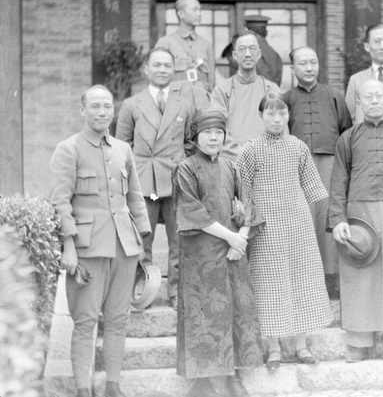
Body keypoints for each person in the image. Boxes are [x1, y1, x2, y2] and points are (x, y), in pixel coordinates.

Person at [49, 85, 151, 397]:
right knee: (85, 321)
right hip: (87, 247)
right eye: (95, 106)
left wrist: (143, 242)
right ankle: (83, 389)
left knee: (118, 319)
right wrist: (68, 244)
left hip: (125, 245)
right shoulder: (68, 149)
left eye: (107, 106)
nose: (102, 112)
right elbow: (59, 201)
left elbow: (134, 196)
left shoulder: (123, 149)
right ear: (82, 110)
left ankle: (113, 387)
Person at [173, 109, 265, 397]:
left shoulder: (231, 167)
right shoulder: (185, 169)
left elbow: (247, 205)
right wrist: (231, 238)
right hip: (201, 255)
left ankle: (233, 375)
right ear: (195, 136)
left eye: (218, 132)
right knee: (204, 314)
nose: (214, 137)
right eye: (207, 132)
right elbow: (193, 212)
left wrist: (242, 239)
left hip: (232, 254)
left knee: (236, 311)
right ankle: (203, 380)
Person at [236, 94, 333, 369]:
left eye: (281, 114)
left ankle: (301, 345)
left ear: (288, 116)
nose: (276, 119)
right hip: (265, 227)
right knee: (269, 283)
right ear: (261, 116)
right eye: (270, 114)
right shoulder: (250, 150)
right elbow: (241, 192)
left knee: (302, 279)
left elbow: (312, 188)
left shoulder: (299, 147)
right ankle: (274, 347)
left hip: (297, 224)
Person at [329, 79, 383, 364]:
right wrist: (339, 219)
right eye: (368, 97)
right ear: (359, 102)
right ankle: (359, 342)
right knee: (359, 276)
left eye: (379, 95)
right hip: (359, 215)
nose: (375, 101)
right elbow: (338, 180)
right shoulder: (348, 138)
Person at [116, 47, 195, 308]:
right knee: (142, 239)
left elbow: (191, 142)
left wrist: (183, 166)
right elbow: (122, 147)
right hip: (143, 181)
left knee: (178, 239)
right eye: (157, 65)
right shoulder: (131, 104)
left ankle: (176, 293)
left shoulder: (184, 103)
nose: (162, 70)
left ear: (174, 71)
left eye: (167, 66)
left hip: (175, 179)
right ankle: (142, 292)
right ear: (146, 69)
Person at [282, 46, 352, 298]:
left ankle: (332, 284)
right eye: (303, 64)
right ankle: (304, 284)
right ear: (293, 69)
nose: (309, 68)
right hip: (297, 168)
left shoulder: (334, 95)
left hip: (329, 167)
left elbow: (347, 133)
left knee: (327, 222)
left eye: (313, 62)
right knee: (302, 223)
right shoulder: (286, 99)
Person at [211, 30, 280, 159]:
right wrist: (243, 155)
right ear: (235, 55)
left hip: (266, 162)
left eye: (252, 49)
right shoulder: (221, 91)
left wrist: (263, 156)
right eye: (242, 49)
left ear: (259, 54)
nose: (248, 54)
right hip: (231, 162)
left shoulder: (271, 89)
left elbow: (279, 128)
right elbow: (219, 129)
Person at [156, 0, 216, 93]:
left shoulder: (206, 44)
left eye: (200, 10)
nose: (199, 14)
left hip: (201, 101)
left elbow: (211, 80)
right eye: (194, 10)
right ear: (181, 14)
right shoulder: (165, 43)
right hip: (175, 100)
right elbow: (157, 77)